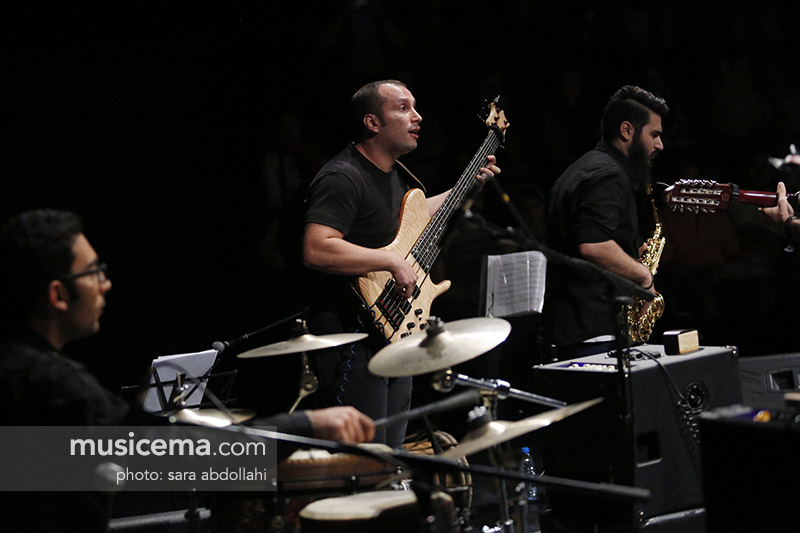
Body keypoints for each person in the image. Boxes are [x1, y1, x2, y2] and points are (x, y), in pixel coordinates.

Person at [0, 209, 375, 531]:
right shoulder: (54, 388)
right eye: (93, 272)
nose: (106, 284)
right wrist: (308, 425)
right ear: (58, 295)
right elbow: (182, 458)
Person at [302, 79, 500, 448]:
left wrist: (465, 187)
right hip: (352, 340)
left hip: (393, 330)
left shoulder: (397, 175)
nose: (417, 117)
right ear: (372, 122)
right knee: (366, 459)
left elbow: (414, 219)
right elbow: (317, 248)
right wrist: (391, 262)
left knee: (391, 455)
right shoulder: (343, 175)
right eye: (403, 108)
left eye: (415, 107)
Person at [543, 85, 669, 359]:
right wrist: (643, 276)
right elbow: (594, 245)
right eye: (654, 134)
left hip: (570, 326)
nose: (660, 145)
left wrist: (629, 253)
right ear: (627, 130)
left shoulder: (582, 167)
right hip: (592, 331)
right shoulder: (609, 175)